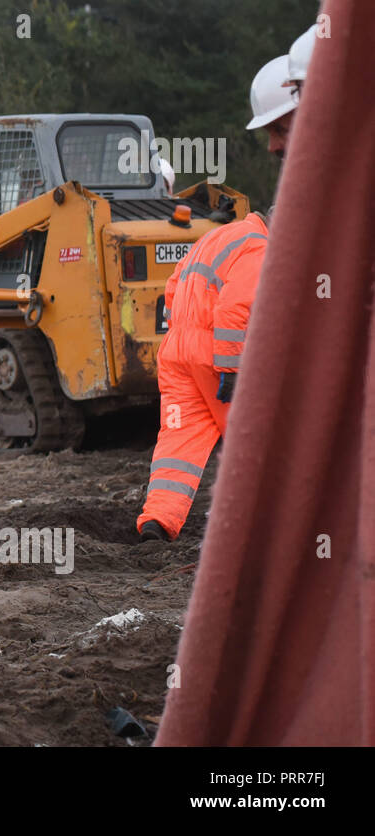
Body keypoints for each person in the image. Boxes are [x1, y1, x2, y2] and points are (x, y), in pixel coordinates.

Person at [136, 53, 299, 541]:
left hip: (177, 355)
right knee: (260, 445)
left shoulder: (217, 236)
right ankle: (272, 528)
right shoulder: (260, 247)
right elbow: (235, 310)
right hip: (215, 358)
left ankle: (157, 520)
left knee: (179, 445)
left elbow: (173, 289)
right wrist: (231, 372)